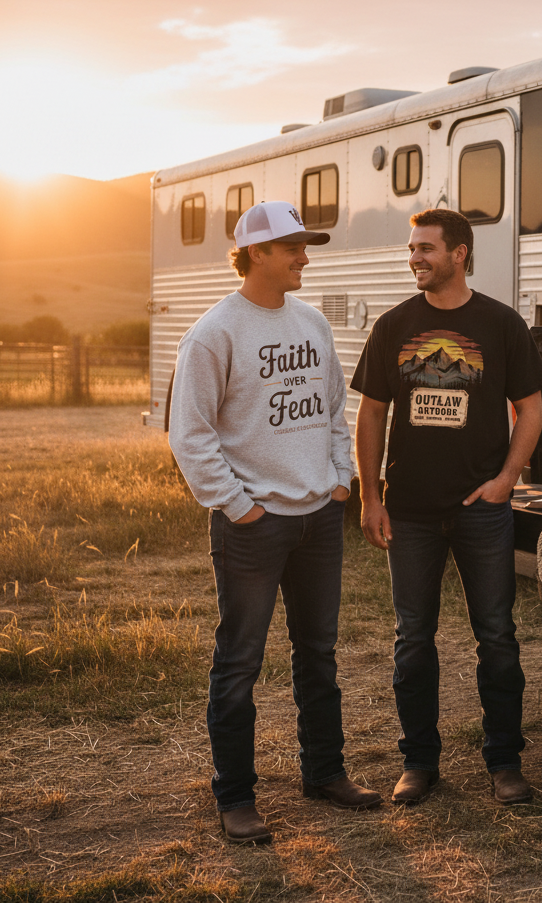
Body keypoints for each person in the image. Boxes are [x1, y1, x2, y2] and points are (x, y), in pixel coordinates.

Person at [169, 200, 381, 846]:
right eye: (293, 247)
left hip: (318, 516)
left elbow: (333, 409)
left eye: (304, 246)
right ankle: (235, 797)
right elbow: (191, 435)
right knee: (240, 661)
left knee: (318, 654)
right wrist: (239, 507)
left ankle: (325, 773)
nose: (304, 257)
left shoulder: (311, 321)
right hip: (255, 526)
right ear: (256, 253)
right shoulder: (215, 332)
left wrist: (341, 478)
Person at [351, 208, 542, 806]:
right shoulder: (393, 326)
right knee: (413, 640)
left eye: (426, 249)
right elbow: (371, 415)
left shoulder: (501, 324)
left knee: (497, 637)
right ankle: (418, 763)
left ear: (459, 253)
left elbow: (532, 410)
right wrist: (370, 496)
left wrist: (506, 481)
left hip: (480, 509)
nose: (415, 258)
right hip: (409, 512)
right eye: (412, 249)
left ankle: (504, 762)